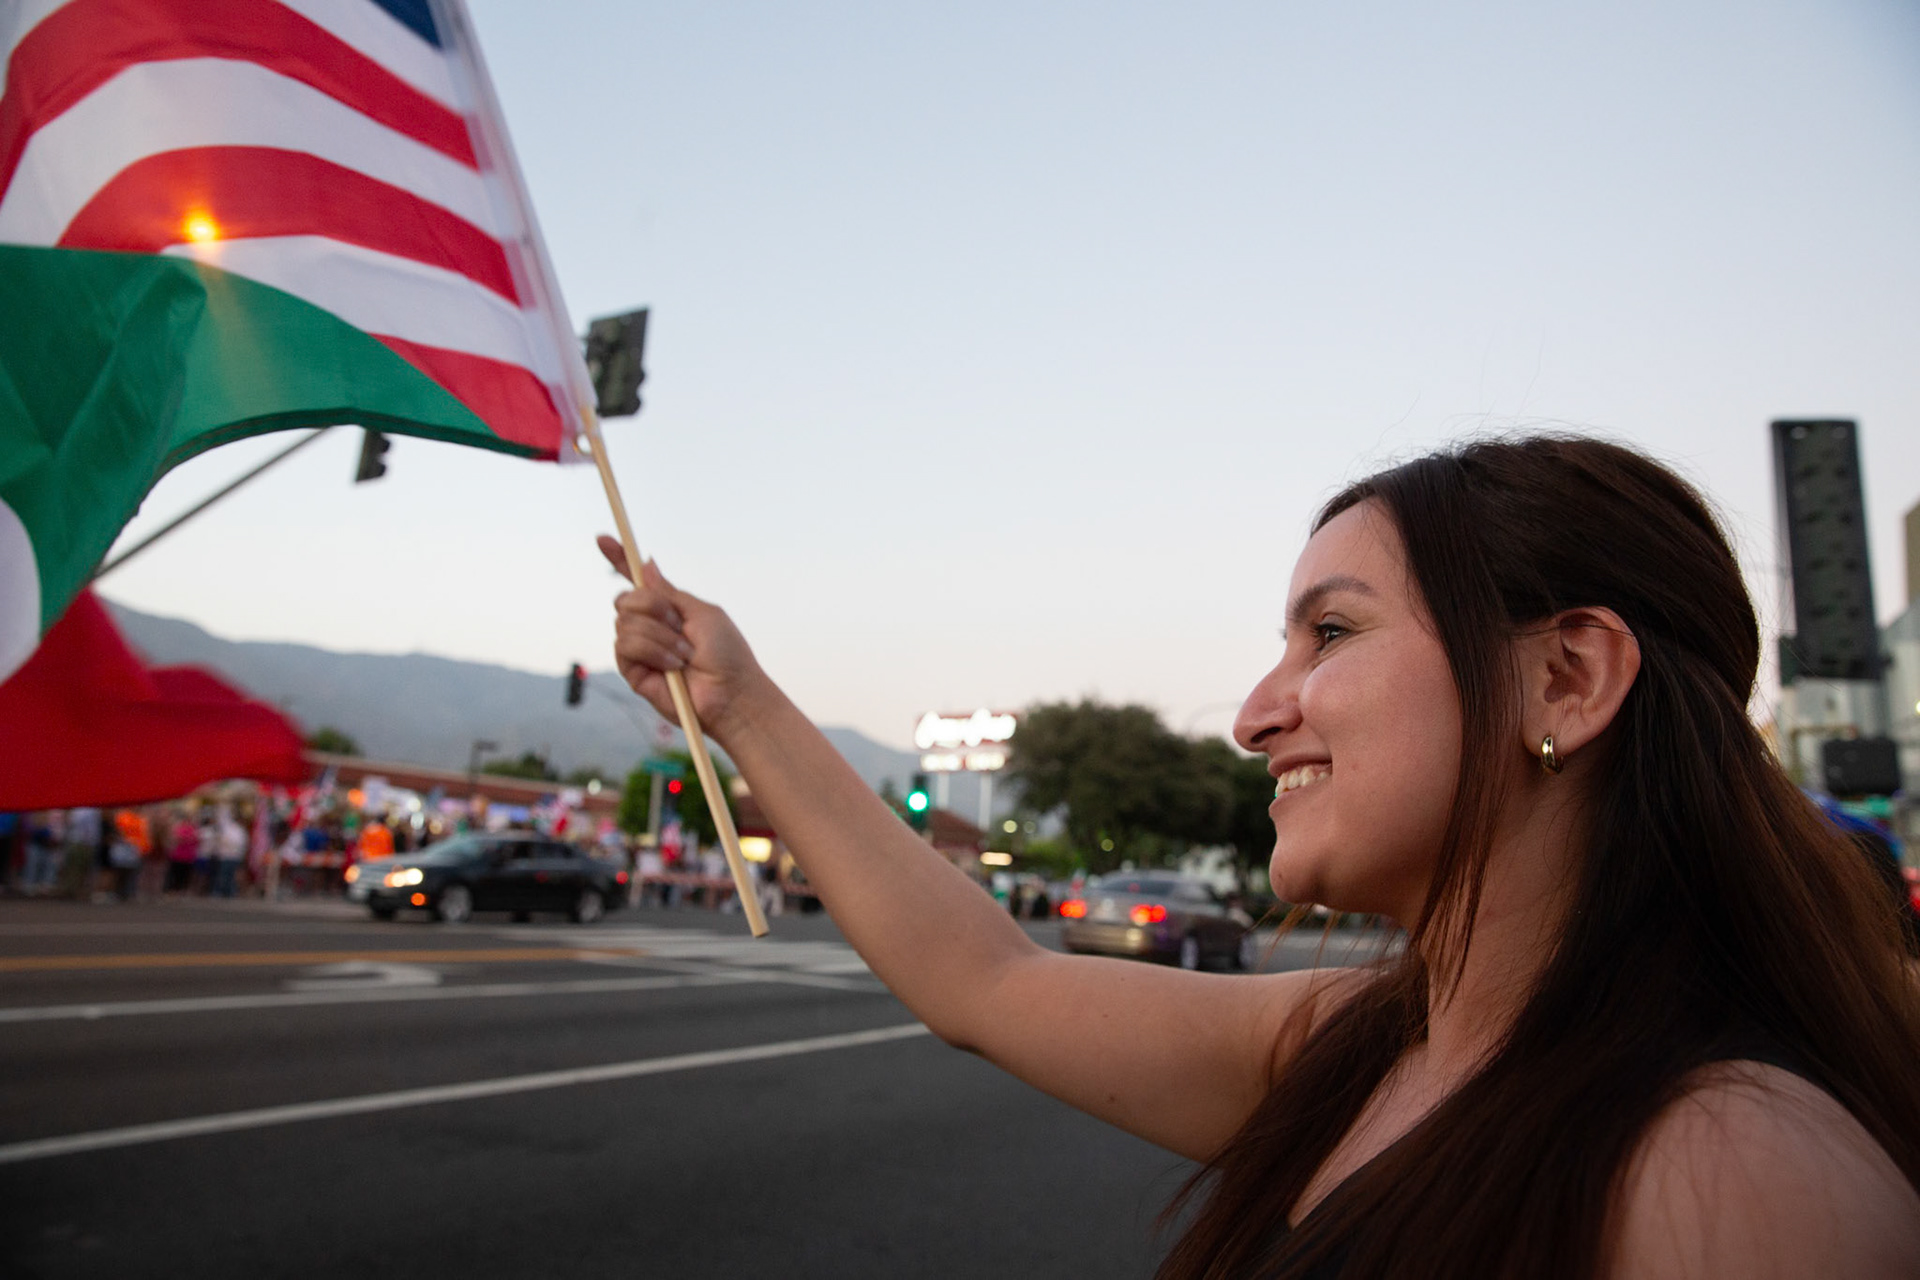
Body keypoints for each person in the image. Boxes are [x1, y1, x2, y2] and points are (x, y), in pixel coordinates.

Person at [602, 436, 1920, 1278]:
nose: (1252, 716)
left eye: (1330, 635)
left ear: (1565, 678)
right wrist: (745, 705)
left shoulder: (1742, 1180)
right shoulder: (1349, 1048)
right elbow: (986, 984)